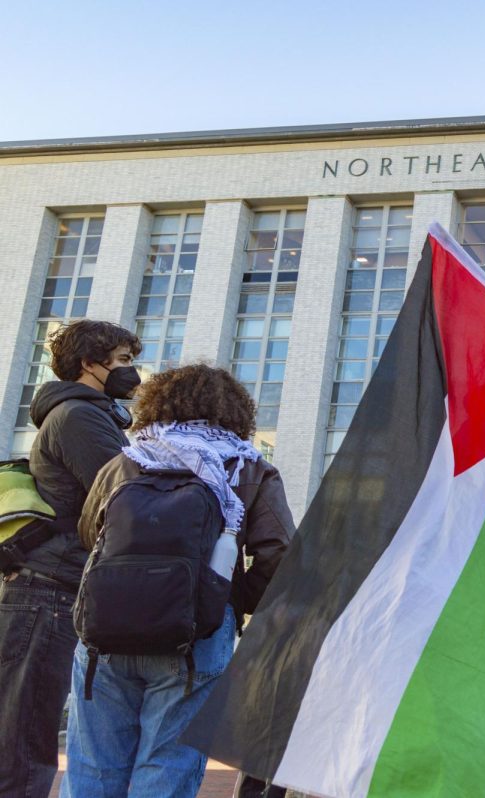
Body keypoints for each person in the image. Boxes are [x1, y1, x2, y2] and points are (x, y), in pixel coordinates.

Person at [61, 364, 295, 798]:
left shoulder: (126, 460)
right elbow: (280, 554)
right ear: (236, 413)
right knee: (168, 764)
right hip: (196, 633)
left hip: (106, 630)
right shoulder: (250, 468)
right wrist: (227, 598)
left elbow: (90, 533)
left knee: (93, 765)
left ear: (156, 405)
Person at [0, 319, 141, 798]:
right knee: (24, 734)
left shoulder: (88, 414)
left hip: (54, 589)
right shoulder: (79, 417)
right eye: (122, 360)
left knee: (25, 729)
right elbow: (123, 497)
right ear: (89, 363)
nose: (131, 371)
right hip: (47, 591)